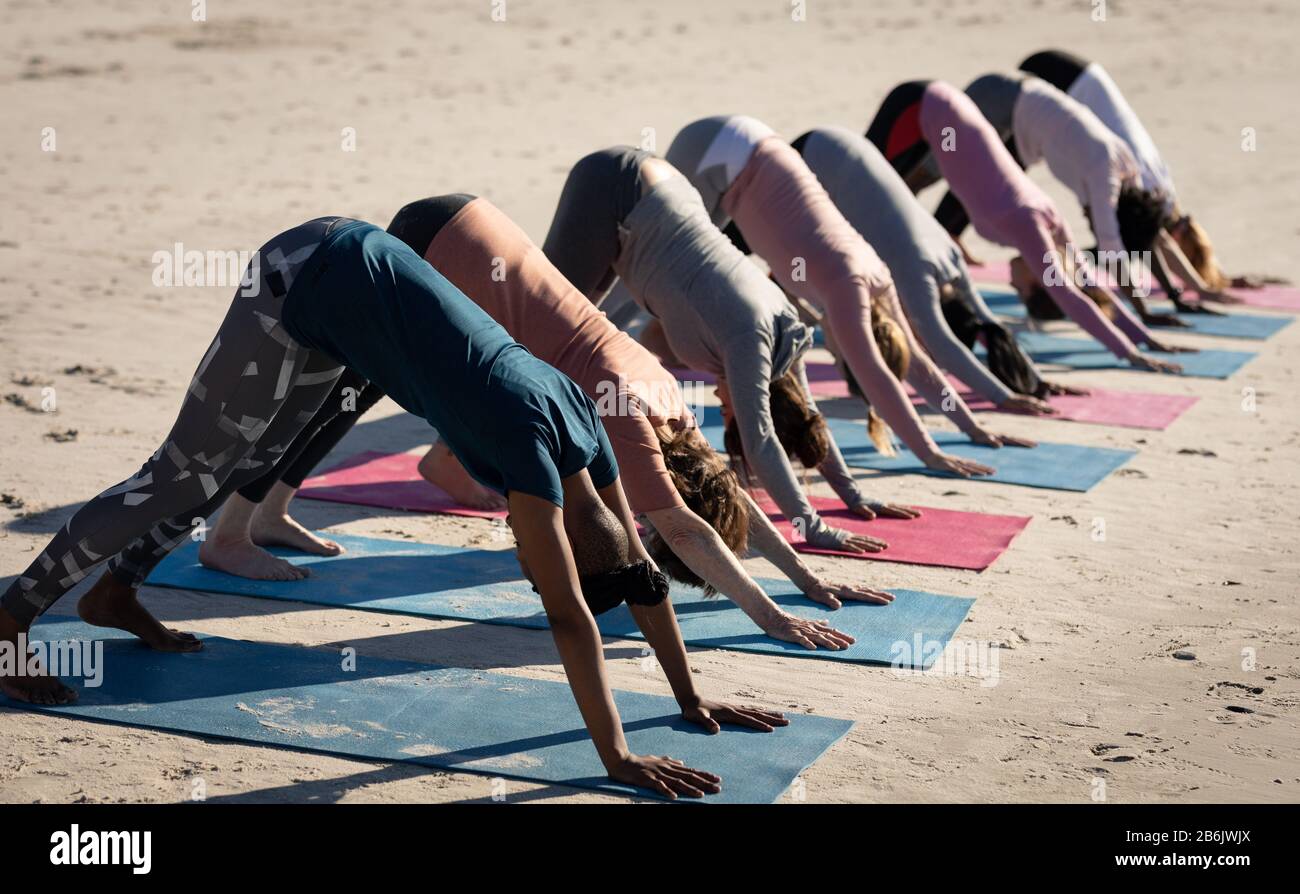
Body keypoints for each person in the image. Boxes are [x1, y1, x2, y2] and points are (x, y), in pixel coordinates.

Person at [1, 217, 784, 799]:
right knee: (180, 473)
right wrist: (615, 757)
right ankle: (11, 616)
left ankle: (115, 592)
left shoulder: (587, 433)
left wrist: (690, 697)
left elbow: (638, 570)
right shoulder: (533, 462)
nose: (520, 553)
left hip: (352, 303)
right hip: (306, 273)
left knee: (249, 459)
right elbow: (571, 617)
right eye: (535, 555)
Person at [543, 147, 946, 559]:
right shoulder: (750, 345)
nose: (720, 403)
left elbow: (808, 417)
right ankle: (479, 469)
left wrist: (850, 491)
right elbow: (761, 440)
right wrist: (812, 525)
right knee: (540, 327)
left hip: (663, 191)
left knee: (569, 327)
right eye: (731, 418)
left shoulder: (786, 340)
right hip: (616, 189)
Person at [666, 116, 1032, 457]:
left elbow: (918, 365)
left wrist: (974, 427)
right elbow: (879, 376)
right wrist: (929, 451)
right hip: (721, 151)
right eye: (844, 363)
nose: (839, 360)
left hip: (757, 145)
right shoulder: (849, 292)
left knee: (669, 264)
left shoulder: (876, 278)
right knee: (658, 265)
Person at [866, 81, 1191, 374]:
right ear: (1039, 283)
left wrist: (1143, 336)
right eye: (1020, 289)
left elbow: (1089, 284)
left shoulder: (1047, 219)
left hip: (945, 113)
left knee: (876, 189)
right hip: (923, 105)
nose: (1012, 282)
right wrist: (1130, 352)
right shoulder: (1030, 226)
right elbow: (1071, 296)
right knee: (856, 189)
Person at [787, 124, 1076, 407]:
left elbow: (987, 321)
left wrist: (1034, 379)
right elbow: (945, 347)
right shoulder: (918, 277)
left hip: (844, 146)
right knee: (752, 241)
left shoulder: (950, 259)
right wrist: (1004, 397)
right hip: (815, 157)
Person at [952, 72, 1231, 325]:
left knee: (960, 176)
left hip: (1023, 107)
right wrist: (1143, 312)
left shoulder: (1128, 180)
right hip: (1003, 100)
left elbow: (1151, 238)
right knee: (941, 172)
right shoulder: (1105, 187)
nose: (1088, 219)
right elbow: (1113, 254)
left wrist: (1177, 295)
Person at [1019, 49, 1281, 294]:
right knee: (1007, 154)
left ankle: (1039, 266)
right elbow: (1153, 244)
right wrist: (1197, 288)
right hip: (1067, 79)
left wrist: (1217, 278)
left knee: (1008, 154)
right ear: (1179, 239)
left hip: (1079, 74)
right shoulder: (1149, 194)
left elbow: (1164, 244)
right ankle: (1040, 267)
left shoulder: (1164, 195)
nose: (1176, 268)